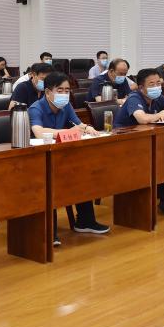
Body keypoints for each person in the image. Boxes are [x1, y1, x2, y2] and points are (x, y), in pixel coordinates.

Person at [28, 72, 105, 241]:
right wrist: (68, 132)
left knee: (82, 174)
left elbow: (78, 124)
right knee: (50, 182)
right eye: (60, 90)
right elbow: (39, 132)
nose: (64, 94)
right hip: (37, 161)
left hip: (61, 156)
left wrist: (87, 128)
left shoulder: (66, 106)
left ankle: (85, 221)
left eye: (67, 90)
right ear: (48, 92)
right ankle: (48, 232)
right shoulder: (36, 108)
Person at [114, 68, 164, 217]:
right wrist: (160, 114)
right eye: (151, 84)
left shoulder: (158, 97)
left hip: (144, 140)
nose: (156, 87)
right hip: (124, 142)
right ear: (141, 87)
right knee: (162, 156)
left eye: (158, 83)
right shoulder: (134, 98)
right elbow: (142, 119)